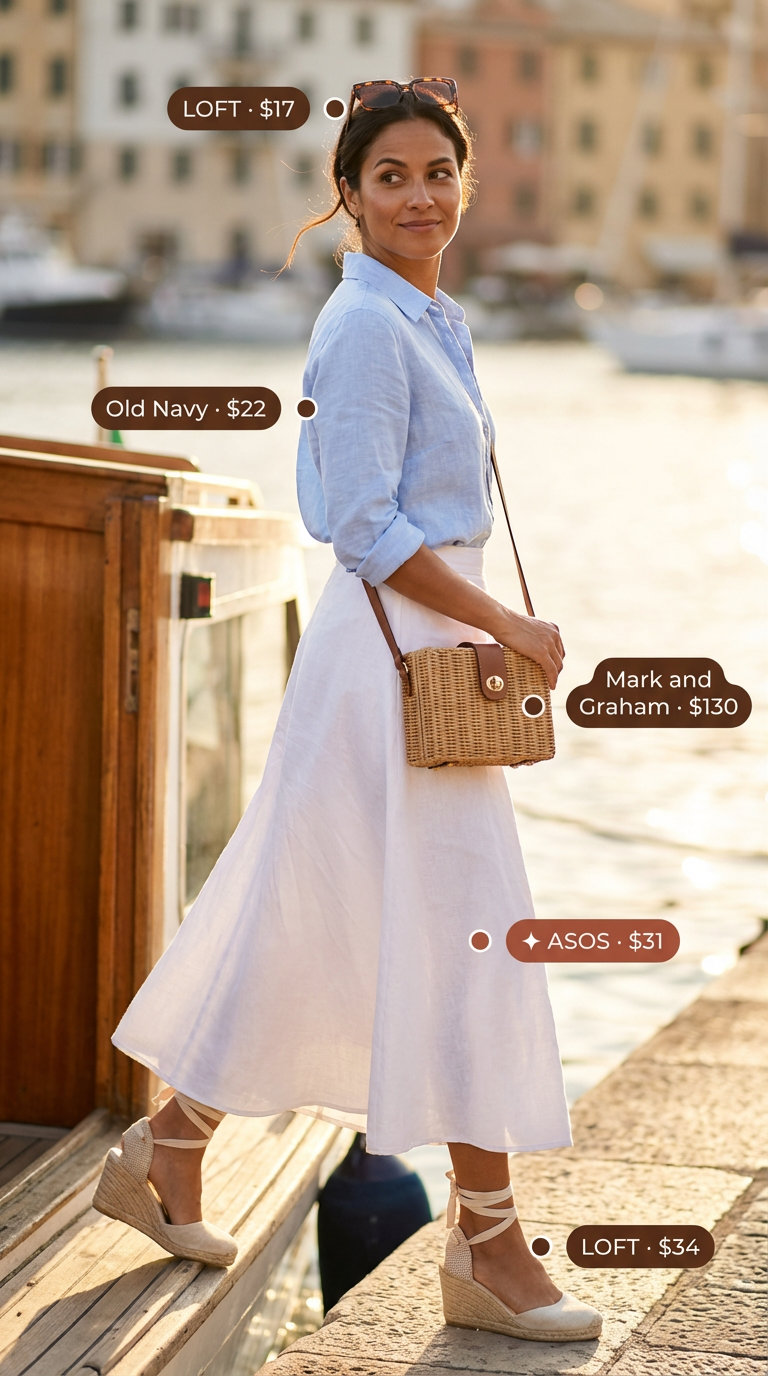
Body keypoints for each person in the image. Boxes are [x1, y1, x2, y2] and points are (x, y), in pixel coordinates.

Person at [93, 76, 602, 1343]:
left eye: (438, 171)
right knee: (471, 933)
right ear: (350, 195)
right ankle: (488, 1246)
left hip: (416, 663)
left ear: (463, 184)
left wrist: (485, 621)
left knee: (310, 916)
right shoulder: (367, 326)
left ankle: (167, 1151)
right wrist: (508, 626)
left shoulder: (432, 313)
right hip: (401, 661)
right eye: (391, 177)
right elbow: (365, 525)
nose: (419, 194)